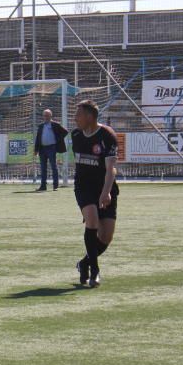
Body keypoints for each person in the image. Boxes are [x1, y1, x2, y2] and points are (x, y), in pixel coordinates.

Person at [72, 101, 119, 288]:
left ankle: (84, 263)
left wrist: (106, 193)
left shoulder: (107, 136)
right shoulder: (75, 135)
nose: (75, 118)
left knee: (106, 237)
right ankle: (95, 271)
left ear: (90, 117)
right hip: (84, 187)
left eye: (79, 114)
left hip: (105, 187)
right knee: (91, 221)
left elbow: (111, 170)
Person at [34, 108, 69, 191]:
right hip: (42, 149)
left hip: (52, 148)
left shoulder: (55, 125)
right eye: (44, 115)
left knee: (53, 166)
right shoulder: (41, 126)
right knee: (43, 168)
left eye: (47, 115)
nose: (45, 117)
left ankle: (55, 186)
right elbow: (38, 138)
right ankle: (43, 186)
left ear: (50, 116)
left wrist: (57, 139)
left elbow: (65, 132)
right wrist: (36, 149)